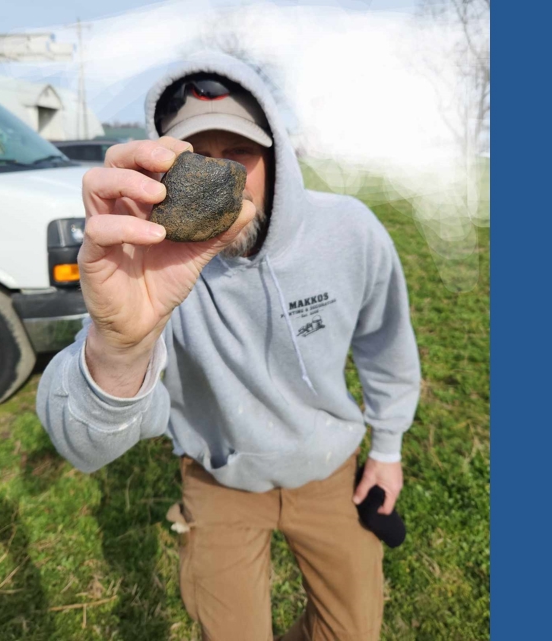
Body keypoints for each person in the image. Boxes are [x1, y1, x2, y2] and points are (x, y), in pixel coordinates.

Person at [38, 52, 421, 641]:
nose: (220, 178)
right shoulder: (152, 267)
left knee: (352, 631)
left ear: (277, 157)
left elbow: (386, 343)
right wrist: (119, 345)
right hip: (219, 478)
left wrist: (388, 449)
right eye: (195, 159)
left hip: (327, 470)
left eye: (239, 154)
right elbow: (83, 447)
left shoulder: (350, 232)